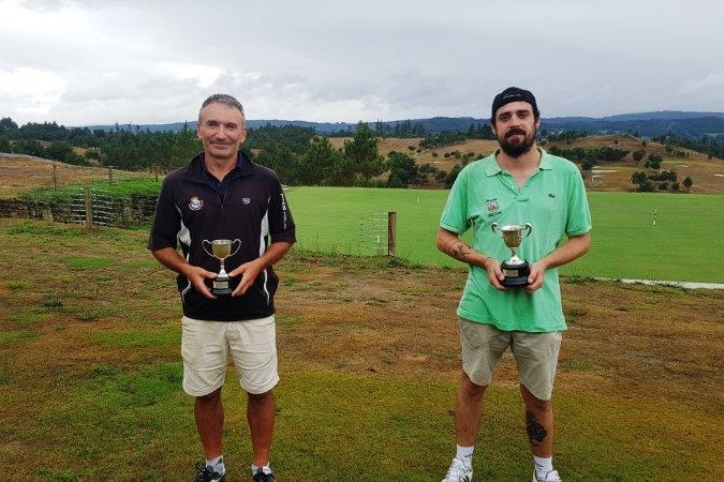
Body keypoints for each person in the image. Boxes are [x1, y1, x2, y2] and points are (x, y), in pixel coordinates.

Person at [436, 87, 592, 482]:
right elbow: (445, 237)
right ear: (494, 127)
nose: (514, 122)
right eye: (505, 117)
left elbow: (581, 239)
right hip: (482, 307)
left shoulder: (566, 174)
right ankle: (462, 465)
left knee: (538, 397)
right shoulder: (472, 176)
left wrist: (543, 263)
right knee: (472, 386)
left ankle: (543, 470)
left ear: (537, 122)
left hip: (540, 310)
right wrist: (485, 259)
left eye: (522, 114)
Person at [149, 94, 296, 482]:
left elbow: (284, 236)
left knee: (261, 390)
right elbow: (160, 244)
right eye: (212, 124)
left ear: (243, 134)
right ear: (199, 130)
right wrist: (189, 270)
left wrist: (258, 264)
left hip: (256, 308)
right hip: (200, 309)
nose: (221, 133)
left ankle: (261, 466)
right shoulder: (177, 183)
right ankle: (214, 464)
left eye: (230, 126)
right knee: (206, 392)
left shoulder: (265, 180)